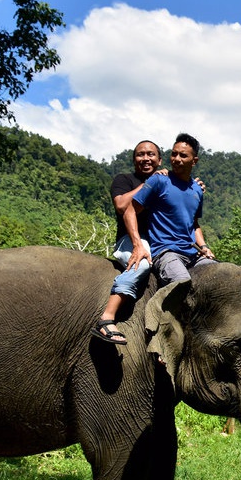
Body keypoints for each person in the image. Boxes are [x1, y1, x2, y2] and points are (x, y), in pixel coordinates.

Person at [126, 132, 215, 308]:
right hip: (166, 252)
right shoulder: (160, 180)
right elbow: (130, 210)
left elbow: (194, 224)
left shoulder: (197, 190)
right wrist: (137, 245)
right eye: (174, 154)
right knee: (182, 282)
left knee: (220, 277)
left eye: (183, 155)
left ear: (194, 161)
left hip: (193, 254)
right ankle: (158, 320)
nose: (176, 159)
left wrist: (204, 247)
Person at [91, 140, 163, 344]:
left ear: (159, 160)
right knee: (140, 264)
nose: (146, 158)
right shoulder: (124, 179)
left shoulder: (165, 181)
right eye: (141, 155)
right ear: (134, 160)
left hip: (159, 243)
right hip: (130, 241)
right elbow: (122, 205)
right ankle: (106, 318)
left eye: (151, 154)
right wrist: (149, 184)